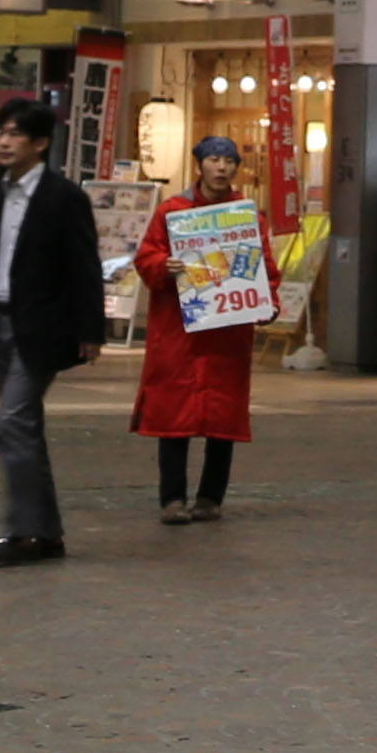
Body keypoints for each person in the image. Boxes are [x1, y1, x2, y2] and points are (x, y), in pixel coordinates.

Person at [0, 94, 106, 565]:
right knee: (25, 426)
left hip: (43, 326)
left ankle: (20, 532)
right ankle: (46, 533)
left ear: (40, 143)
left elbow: (84, 266)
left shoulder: (63, 197)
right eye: (1, 133)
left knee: (13, 422)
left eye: (15, 134)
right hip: (0, 321)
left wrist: (90, 329)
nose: (4, 142)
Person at [130, 133, 260, 521]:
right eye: (214, 160)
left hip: (227, 332)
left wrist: (263, 300)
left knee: (222, 419)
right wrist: (163, 265)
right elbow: (146, 257)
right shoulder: (173, 211)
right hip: (179, 331)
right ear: (199, 165)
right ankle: (172, 499)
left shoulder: (245, 215)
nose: (222, 167)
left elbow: (263, 266)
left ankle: (210, 498)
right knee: (174, 416)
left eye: (229, 161)